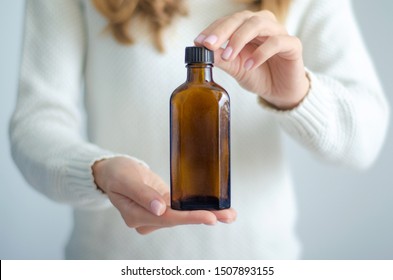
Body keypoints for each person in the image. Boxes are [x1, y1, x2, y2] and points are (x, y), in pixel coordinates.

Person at [10, 0, 389, 259]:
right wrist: (98, 170)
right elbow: (37, 122)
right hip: (114, 260)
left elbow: (367, 141)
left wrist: (297, 94)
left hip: (260, 262)